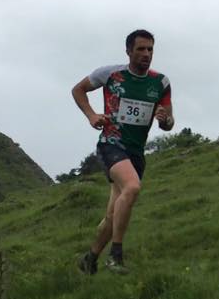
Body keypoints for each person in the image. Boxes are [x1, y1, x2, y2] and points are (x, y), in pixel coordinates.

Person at [71, 29, 174, 274]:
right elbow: (78, 90)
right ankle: (115, 256)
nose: (146, 54)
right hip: (111, 144)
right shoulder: (111, 75)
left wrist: (164, 120)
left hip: (136, 153)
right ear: (128, 51)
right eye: (141, 49)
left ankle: (89, 259)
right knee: (132, 187)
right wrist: (91, 115)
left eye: (150, 49)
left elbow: (169, 123)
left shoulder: (160, 82)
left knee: (113, 214)